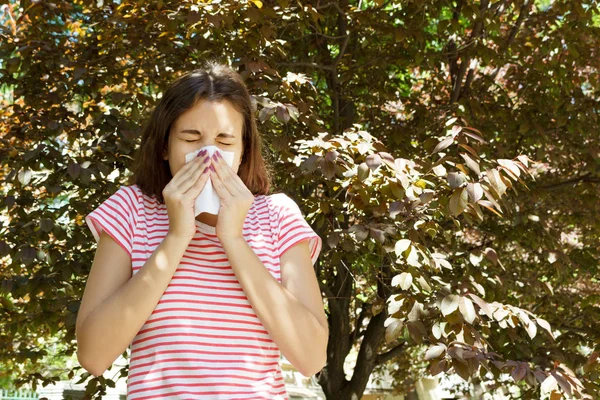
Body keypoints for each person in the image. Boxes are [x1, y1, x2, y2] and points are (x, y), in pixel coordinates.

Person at [75, 61, 327, 399]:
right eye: (191, 137)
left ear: (243, 151)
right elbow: (93, 356)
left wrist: (233, 239)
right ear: (165, 146)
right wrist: (177, 237)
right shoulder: (132, 210)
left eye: (225, 141)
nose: (208, 156)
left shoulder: (277, 216)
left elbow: (311, 358)